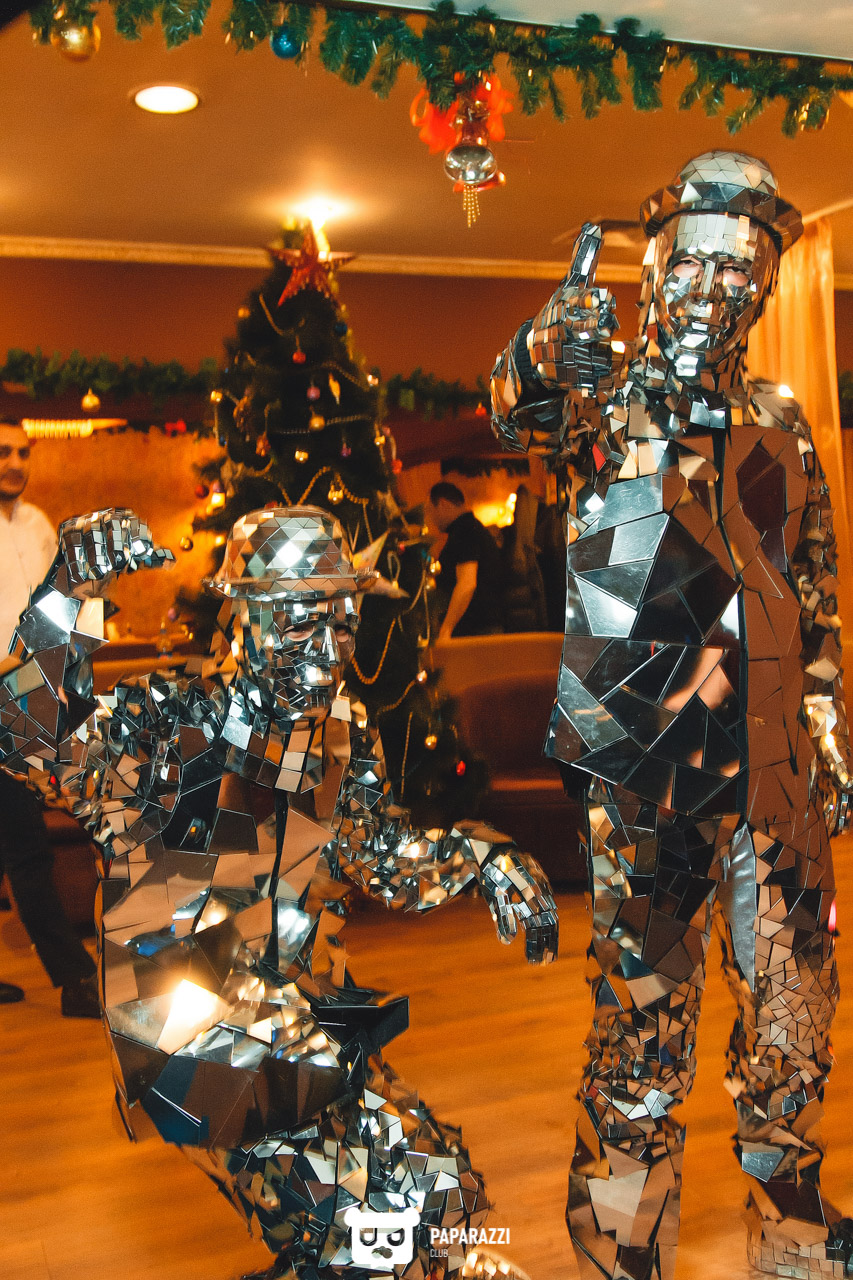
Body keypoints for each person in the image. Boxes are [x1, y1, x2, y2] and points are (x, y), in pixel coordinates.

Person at [0, 503, 557, 1280]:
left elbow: (375, 851)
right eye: (300, 623)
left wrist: (478, 856)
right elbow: (28, 740)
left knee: (441, 1194)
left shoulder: (335, 729)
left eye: (340, 624)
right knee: (363, 1233)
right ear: (246, 618)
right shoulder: (176, 725)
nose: (327, 652)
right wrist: (65, 589)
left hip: (296, 1010)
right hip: (186, 1028)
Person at [490, 151, 853, 1280]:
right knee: (644, 1026)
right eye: (690, 263)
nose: (713, 287)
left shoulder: (782, 420)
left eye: (739, 267)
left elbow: (813, 592)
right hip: (648, 773)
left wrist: (830, 723)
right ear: (654, 269)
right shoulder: (605, 405)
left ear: (763, 283)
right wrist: (543, 349)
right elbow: (519, 407)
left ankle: (791, 1220)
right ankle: (619, 1244)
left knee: (794, 1007)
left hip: (779, 771)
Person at [0, 419, 98, 1016]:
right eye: (3, 452)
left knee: (16, 842)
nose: (14, 462)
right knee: (26, 845)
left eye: (21, 452)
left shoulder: (38, 525)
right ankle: (75, 980)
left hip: (29, 698)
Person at [429, 481, 504, 639]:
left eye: (431, 511)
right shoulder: (472, 528)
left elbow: (467, 584)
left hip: (477, 631)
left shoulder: (465, 531)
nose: (432, 519)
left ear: (443, 504)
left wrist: (446, 629)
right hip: (482, 628)